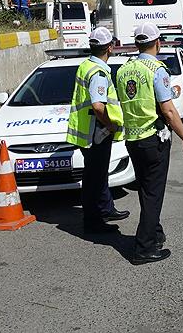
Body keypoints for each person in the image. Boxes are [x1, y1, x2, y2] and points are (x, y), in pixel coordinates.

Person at [116, 22, 183, 265]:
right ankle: (144, 248)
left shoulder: (123, 69)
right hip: (153, 138)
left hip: (133, 139)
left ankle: (154, 233)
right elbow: (168, 111)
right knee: (153, 194)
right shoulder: (157, 70)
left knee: (146, 191)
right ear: (157, 43)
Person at [66, 27, 129, 234]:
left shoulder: (86, 65)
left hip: (88, 132)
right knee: (94, 178)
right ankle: (94, 221)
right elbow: (98, 106)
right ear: (109, 48)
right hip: (97, 133)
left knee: (98, 176)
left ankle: (106, 208)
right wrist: (110, 125)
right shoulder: (98, 73)